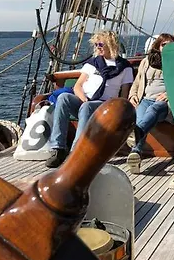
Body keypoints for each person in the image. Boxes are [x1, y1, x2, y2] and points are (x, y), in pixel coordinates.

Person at [45, 30, 134, 168]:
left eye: (100, 44)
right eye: (96, 44)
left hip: (105, 105)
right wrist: (84, 99)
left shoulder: (124, 67)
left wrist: (120, 111)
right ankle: (58, 148)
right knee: (63, 98)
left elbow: (124, 93)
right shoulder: (93, 63)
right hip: (85, 101)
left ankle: (76, 152)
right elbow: (78, 86)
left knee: (87, 107)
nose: (98, 47)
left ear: (111, 44)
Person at [126, 33, 174, 174]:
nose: (167, 47)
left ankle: (137, 133)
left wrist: (168, 95)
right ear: (158, 46)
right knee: (140, 117)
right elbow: (137, 82)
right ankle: (135, 153)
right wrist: (132, 96)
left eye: (171, 45)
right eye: (164, 44)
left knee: (153, 110)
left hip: (165, 103)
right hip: (145, 99)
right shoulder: (146, 62)